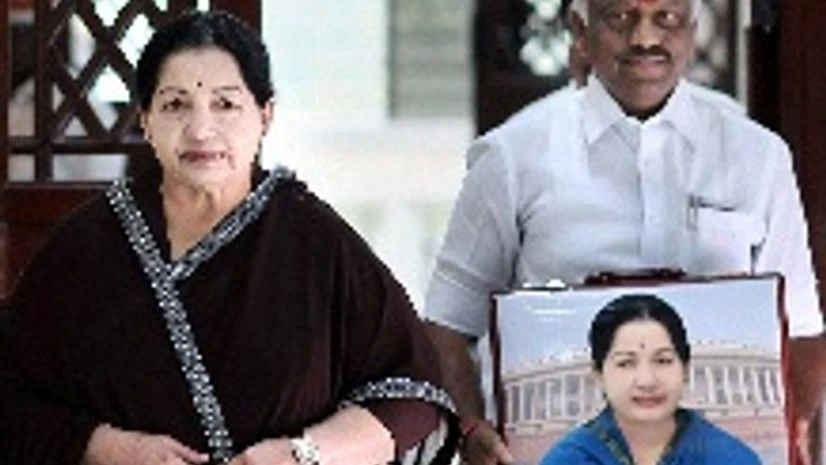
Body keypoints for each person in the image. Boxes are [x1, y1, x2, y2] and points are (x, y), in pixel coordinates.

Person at [0, 10, 456, 465]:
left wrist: (303, 454)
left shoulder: (315, 242)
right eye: (175, 105)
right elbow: (11, 397)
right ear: (146, 120)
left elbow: (410, 393)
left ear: (265, 115)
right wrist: (107, 447)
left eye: (225, 104)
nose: (201, 130)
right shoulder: (87, 247)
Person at [423, 0, 825, 463]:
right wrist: (471, 429)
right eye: (620, 17)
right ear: (581, 29)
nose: (645, 38)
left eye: (666, 18)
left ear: (693, 29)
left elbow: (801, 331)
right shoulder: (511, 157)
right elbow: (446, 327)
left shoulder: (757, 157)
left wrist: (789, 439)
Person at [539, 294, 762, 465]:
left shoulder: (730, 458)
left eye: (663, 361)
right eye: (626, 363)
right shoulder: (569, 459)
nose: (647, 381)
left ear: (685, 369)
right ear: (599, 375)